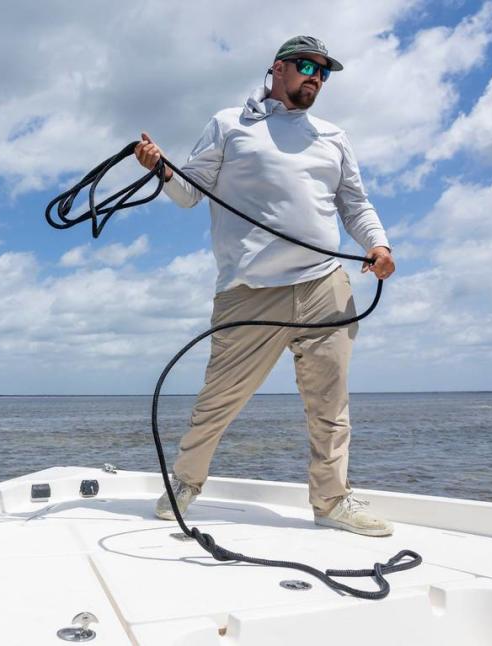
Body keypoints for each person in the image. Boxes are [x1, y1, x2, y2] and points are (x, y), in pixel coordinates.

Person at [134, 36, 396, 537]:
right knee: (219, 399)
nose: (315, 77)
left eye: (324, 71)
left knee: (329, 404)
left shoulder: (333, 136)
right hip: (249, 291)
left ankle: (332, 501)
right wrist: (160, 168)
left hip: (325, 284)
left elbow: (355, 204)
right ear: (278, 68)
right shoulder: (230, 124)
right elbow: (190, 193)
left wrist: (378, 245)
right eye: (305, 66)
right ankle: (186, 483)